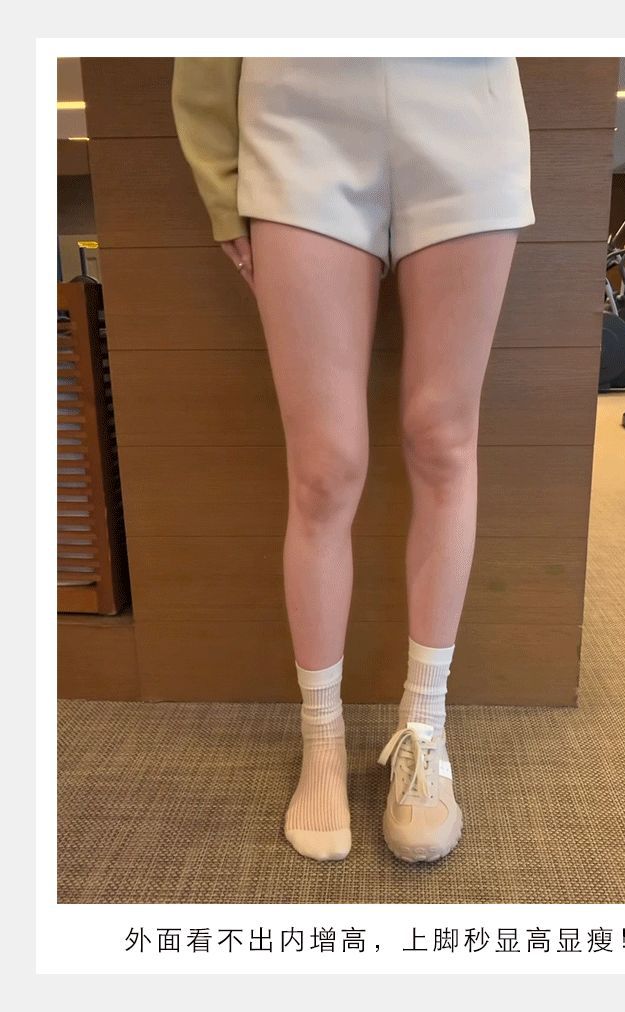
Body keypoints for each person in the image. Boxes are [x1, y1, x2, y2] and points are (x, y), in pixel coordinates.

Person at [171, 55, 536, 864]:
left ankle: (424, 727)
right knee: (325, 467)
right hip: (298, 112)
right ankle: (323, 736)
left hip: (466, 103)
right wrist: (221, 177)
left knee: (442, 439)